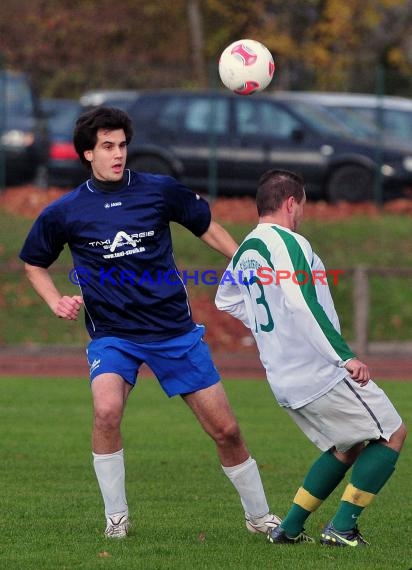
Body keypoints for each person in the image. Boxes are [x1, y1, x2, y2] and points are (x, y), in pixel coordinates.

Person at [19, 106, 281, 539]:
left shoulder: (158, 191)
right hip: (114, 336)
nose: (117, 154)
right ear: (87, 153)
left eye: (122, 145)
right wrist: (54, 300)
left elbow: (206, 226)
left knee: (227, 430)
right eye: (107, 147)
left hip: (174, 332)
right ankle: (116, 520)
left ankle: (259, 518)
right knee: (106, 410)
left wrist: (242, 262)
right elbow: (33, 262)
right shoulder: (67, 211)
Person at [215, 169, 407, 547]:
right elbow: (301, 302)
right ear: (290, 203)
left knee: (347, 446)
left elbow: (226, 299)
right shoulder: (289, 243)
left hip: (284, 375)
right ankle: (341, 528)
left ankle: (288, 529)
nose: (301, 214)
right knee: (392, 433)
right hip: (319, 370)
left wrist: (271, 329)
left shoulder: (247, 249)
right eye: (301, 206)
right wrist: (344, 356)